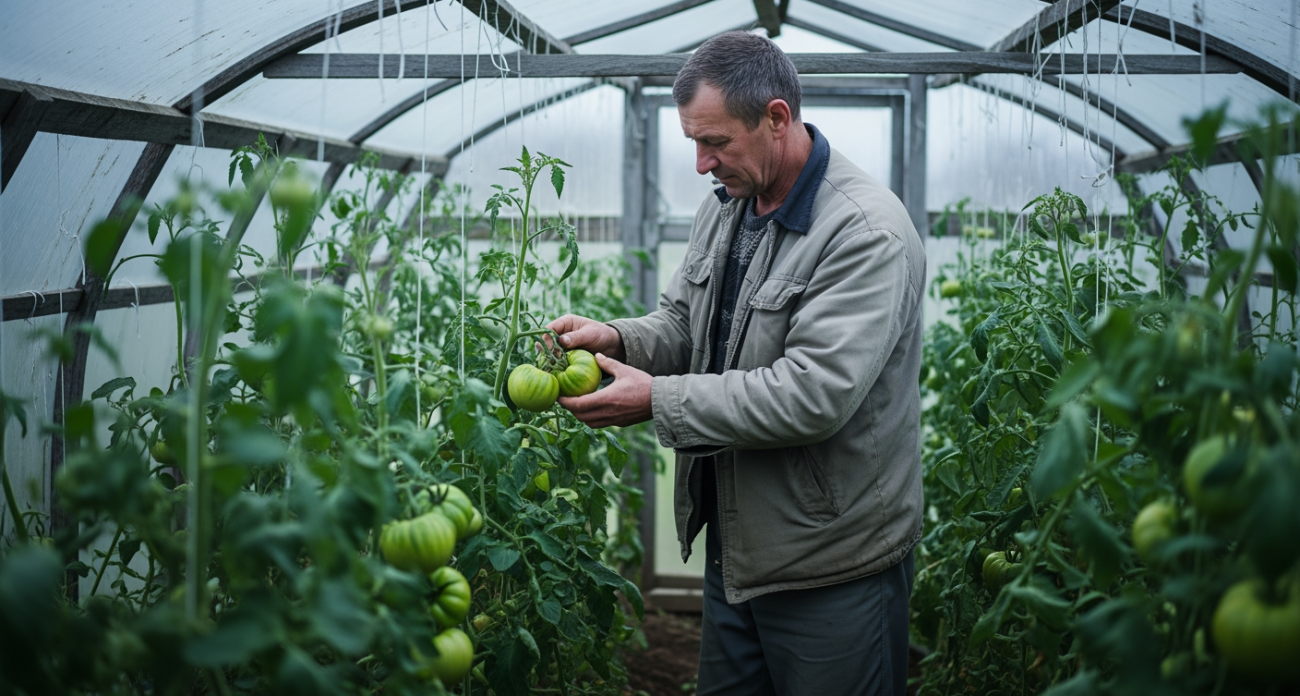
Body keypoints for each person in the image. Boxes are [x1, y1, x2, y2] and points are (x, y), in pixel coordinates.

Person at [547, 31, 925, 696]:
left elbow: (813, 394)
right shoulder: (728, 204)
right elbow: (684, 324)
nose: (701, 163)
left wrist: (657, 400)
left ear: (776, 118)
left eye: (715, 142)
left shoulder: (864, 232)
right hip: (738, 546)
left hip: (831, 559)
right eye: (694, 141)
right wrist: (616, 340)